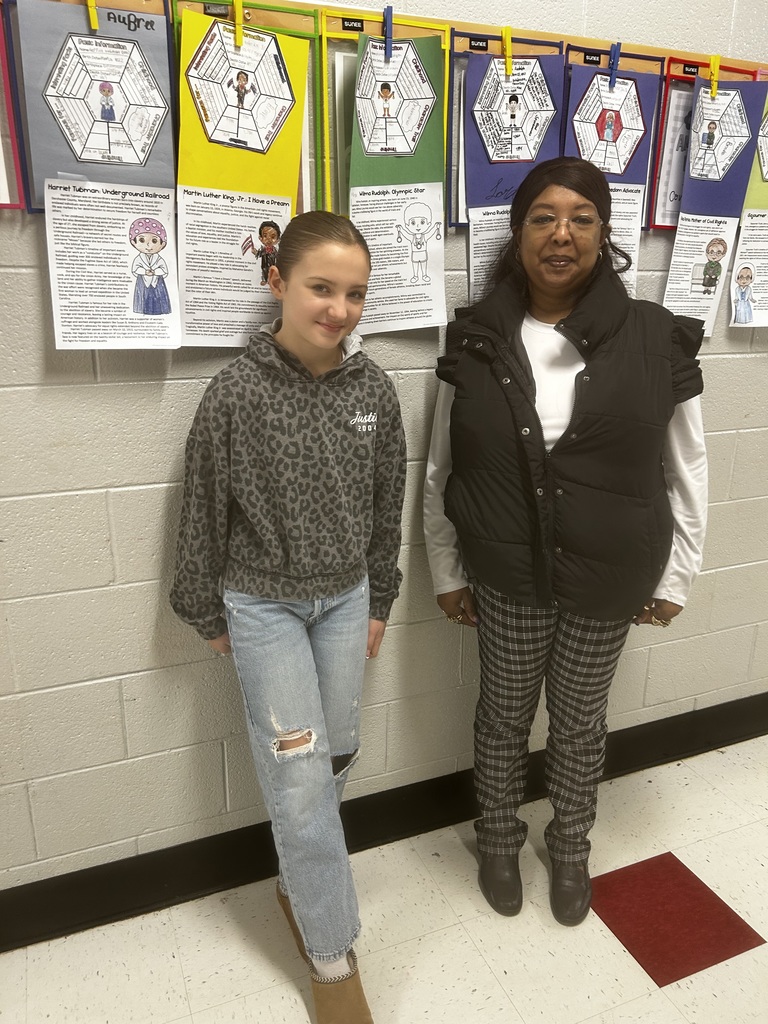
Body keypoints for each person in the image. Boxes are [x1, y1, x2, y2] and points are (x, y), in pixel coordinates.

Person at [423, 157, 707, 927]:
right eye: (543, 217)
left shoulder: (654, 337)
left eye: (581, 219)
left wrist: (676, 576)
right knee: (503, 715)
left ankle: (571, 846)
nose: (561, 234)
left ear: (603, 234)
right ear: (518, 235)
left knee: (580, 722)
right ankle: (497, 840)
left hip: (608, 576)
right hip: (506, 573)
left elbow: (688, 468)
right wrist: (445, 567)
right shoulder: (477, 336)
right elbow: (441, 464)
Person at [171, 211, 407, 1023]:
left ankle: (297, 881)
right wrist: (203, 606)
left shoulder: (374, 391)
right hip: (262, 606)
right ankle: (333, 955)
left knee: (335, 754)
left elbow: (388, 505)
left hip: (345, 601)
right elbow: (201, 507)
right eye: (320, 288)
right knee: (301, 778)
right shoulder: (236, 392)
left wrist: (380, 596)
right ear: (278, 283)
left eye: (354, 293)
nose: (338, 308)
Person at [129, 218, 171, 316]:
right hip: (142, 282)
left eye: (154, 240)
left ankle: (159, 311)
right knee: (143, 298)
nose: (148, 244)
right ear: (134, 242)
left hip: (157, 282)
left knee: (158, 298)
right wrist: (144, 271)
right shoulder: (138, 258)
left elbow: (164, 270)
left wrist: (155, 272)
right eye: (142, 240)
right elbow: (135, 269)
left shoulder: (159, 258)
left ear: (162, 244)